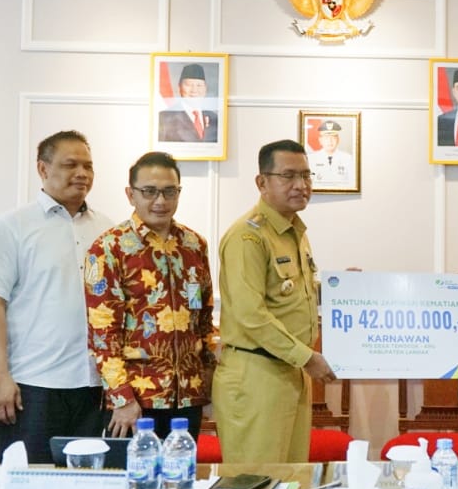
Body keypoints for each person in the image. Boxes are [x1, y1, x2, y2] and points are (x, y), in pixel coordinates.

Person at [0, 131, 110, 462]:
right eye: (70, 165)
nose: (82, 174)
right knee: (26, 485)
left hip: (93, 386)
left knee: (85, 484)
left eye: (88, 166)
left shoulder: (107, 229)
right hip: (32, 387)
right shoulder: (13, 226)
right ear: (43, 169)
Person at [212, 139, 337, 461]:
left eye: (306, 175)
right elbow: (250, 315)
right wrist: (307, 358)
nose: (301, 185)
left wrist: (344, 291)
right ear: (262, 182)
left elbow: (292, 293)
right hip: (256, 374)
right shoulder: (248, 237)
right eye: (288, 176)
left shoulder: (294, 232)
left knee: (291, 476)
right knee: (257, 478)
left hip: (291, 371)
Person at [85, 151, 215, 437]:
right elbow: (103, 334)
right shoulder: (109, 247)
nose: (160, 201)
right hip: (137, 402)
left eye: (169, 191)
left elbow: (203, 318)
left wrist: (207, 380)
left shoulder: (194, 245)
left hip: (188, 396)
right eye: (149, 191)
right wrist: (122, 398)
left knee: (182, 466)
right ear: (130, 194)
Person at [157, 63, 219, 142]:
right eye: (189, 85)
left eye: (199, 85)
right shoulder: (164, 117)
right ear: (179, 87)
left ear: (205, 89)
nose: (194, 90)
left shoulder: (214, 118)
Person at [306, 119, 354, 186]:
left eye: (333, 138)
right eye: (326, 138)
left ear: (338, 140)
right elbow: (308, 183)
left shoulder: (348, 158)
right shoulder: (311, 159)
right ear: (320, 140)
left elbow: (352, 184)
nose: (330, 141)